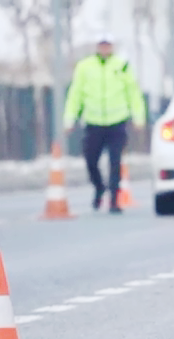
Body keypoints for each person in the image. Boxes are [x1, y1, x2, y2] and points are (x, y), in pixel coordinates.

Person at [64, 32, 146, 214]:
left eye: (108, 44)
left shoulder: (121, 65)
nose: (105, 48)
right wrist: (70, 118)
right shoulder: (85, 67)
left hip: (117, 122)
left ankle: (114, 200)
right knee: (90, 160)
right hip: (93, 123)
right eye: (102, 44)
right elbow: (75, 94)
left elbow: (133, 92)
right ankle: (99, 187)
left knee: (115, 162)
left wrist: (138, 117)